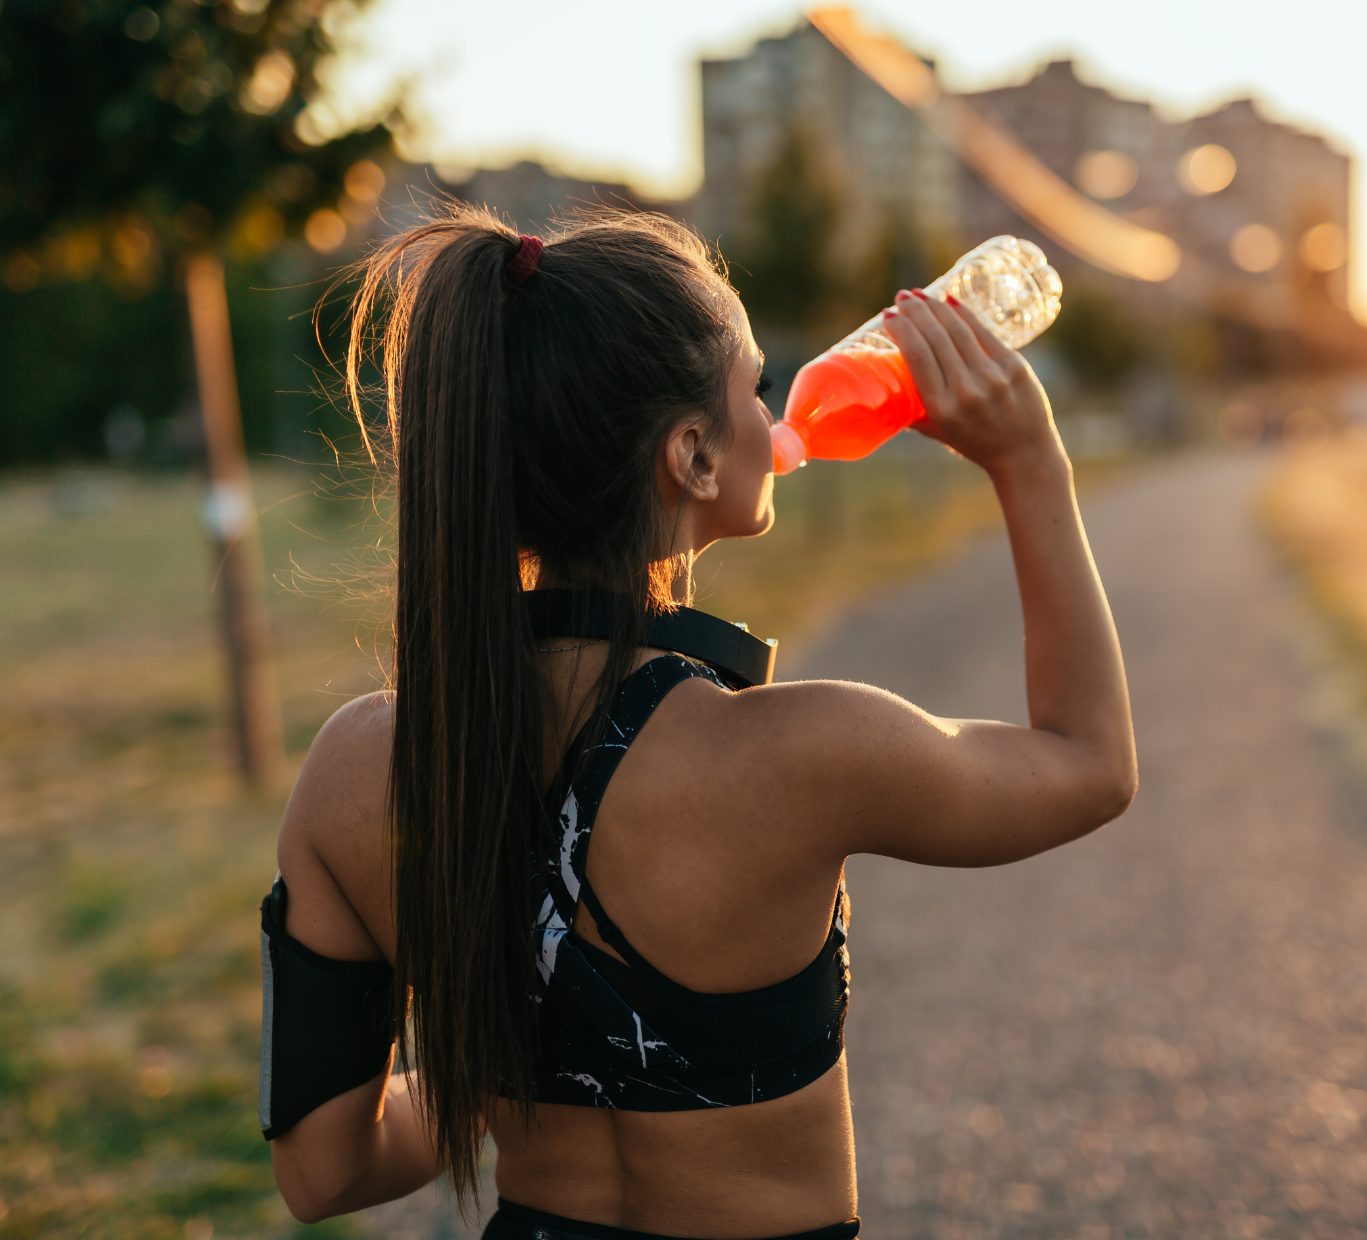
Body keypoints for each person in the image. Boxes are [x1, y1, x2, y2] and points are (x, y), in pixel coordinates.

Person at [266, 207, 1135, 1240]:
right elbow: (1087, 764)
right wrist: (1029, 460)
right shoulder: (805, 752)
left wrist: (510, 1062)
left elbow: (322, 1169)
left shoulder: (355, 767)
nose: (776, 412)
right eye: (757, 386)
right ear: (692, 454)